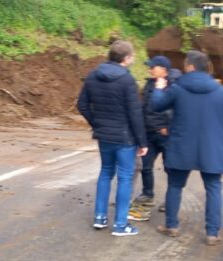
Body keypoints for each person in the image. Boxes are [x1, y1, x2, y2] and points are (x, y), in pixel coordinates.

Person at [151, 50, 223, 246]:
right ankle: (212, 233)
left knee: (175, 186)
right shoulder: (219, 91)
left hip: (182, 146)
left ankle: (172, 226)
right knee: (214, 188)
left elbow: (156, 105)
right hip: (211, 149)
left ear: (190, 66)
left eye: (185, 64)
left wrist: (158, 88)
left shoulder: (178, 88)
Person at [78, 40, 148, 236]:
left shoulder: (93, 76)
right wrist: (142, 142)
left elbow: (82, 105)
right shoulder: (127, 81)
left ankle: (100, 217)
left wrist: (97, 124)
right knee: (125, 178)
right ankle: (120, 224)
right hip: (125, 138)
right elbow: (135, 114)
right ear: (126, 59)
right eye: (132, 56)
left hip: (104, 136)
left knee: (106, 172)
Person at [127, 56, 179, 221]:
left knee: (169, 168)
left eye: (153, 67)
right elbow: (143, 108)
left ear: (164, 69)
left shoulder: (174, 86)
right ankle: (147, 193)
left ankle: (170, 201)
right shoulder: (149, 84)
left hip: (166, 136)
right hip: (149, 134)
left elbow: (180, 111)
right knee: (145, 166)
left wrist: (169, 128)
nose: (150, 69)